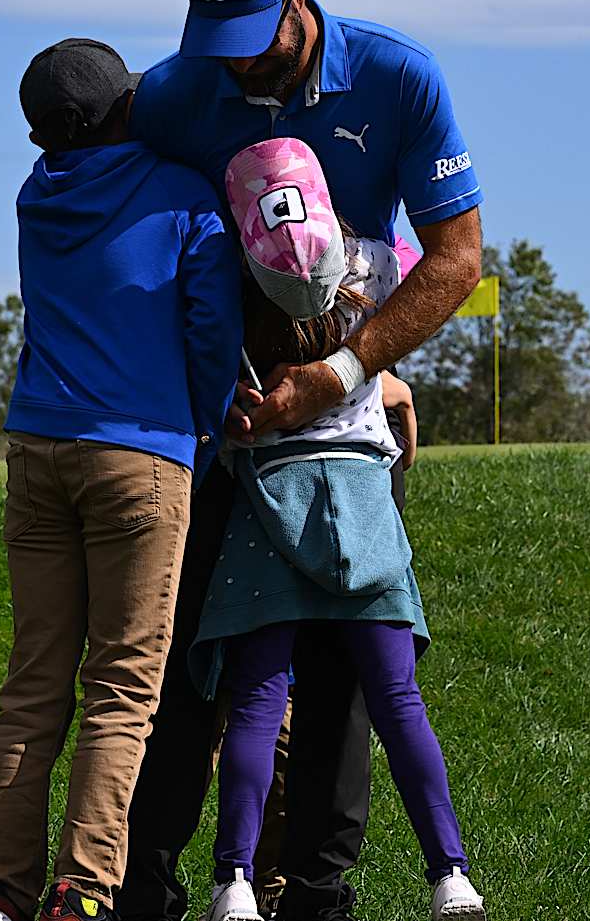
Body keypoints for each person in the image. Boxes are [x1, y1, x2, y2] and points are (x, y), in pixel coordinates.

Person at [121, 0, 485, 921]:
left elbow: (456, 260)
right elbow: (114, 216)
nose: (236, 71)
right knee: (193, 667)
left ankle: (314, 894)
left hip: (345, 414)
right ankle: (147, 886)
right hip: (212, 423)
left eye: (255, 43)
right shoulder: (173, 92)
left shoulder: (398, 78)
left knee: (344, 680)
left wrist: (348, 369)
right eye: (217, 48)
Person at [0, 38, 242, 921]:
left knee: (34, 683)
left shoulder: (34, 196)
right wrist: (202, 423)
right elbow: (210, 327)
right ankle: (80, 891)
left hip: (36, 451)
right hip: (144, 455)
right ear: (126, 108)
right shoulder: (180, 192)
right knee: (122, 687)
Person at [196, 139, 486, 921]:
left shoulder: (232, 282)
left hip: (269, 510)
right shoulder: (380, 270)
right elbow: (418, 273)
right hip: (363, 503)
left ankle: (235, 883)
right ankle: (449, 871)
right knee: (398, 700)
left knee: (258, 702)